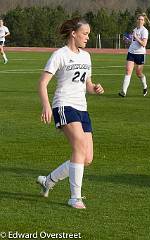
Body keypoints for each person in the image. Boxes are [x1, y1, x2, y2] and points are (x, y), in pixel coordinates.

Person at [37, 18, 104, 209]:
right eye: (85, 34)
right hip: (64, 105)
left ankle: (48, 181)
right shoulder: (60, 55)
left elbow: (87, 85)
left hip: (82, 108)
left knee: (87, 158)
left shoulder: (86, 56)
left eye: (89, 34)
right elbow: (42, 83)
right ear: (73, 33)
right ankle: (75, 197)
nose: (88, 38)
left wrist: (95, 88)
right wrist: (47, 106)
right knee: (79, 146)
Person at [119, 13, 150, 97]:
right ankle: (123, 91)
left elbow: (144, 44)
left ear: (144, 22)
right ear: (136, 20)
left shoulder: (144, 31)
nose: (140, 21)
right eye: (139, 19)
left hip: (140, 54)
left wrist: (136, 37)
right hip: (131, 52)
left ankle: (145, 86)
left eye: (141, 19)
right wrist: (128, 40)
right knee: (128, 71)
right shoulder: (135, 29)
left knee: (138, 73)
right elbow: (133, 41)